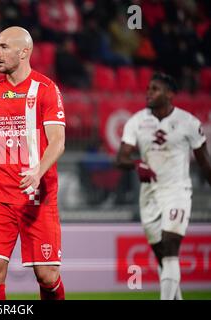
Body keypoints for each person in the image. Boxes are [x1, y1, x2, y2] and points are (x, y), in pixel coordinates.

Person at [0, 26, 66, 300]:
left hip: (38, 196)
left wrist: (37, 171)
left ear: (24, 52)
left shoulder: (46, 89)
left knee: (47, 276)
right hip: (0, 196)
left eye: (4, 47)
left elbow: (58, 141)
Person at [116, 73, 211, 300]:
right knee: (163, 256)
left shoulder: (189, 123)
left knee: (170, 247)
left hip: (177, 191)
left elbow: (204, 162)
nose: (148, 92)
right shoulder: (137, 121)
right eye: (148, 88)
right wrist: (137, 164)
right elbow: (121, 158)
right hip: (149, 194)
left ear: (170, 94)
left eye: (155, 89)